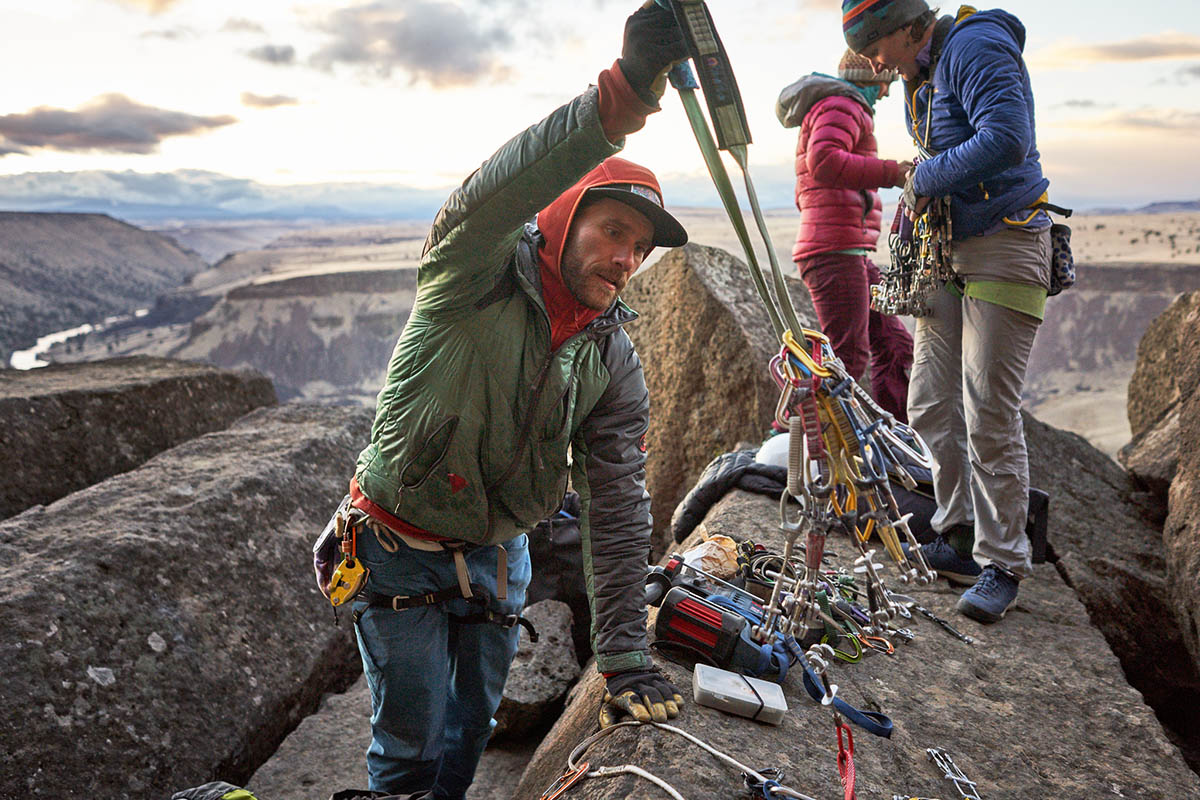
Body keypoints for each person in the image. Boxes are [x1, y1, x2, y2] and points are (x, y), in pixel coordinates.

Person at [315, 7, 689, 797]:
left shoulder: (609, 356)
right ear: (562, 217)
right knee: (409, 733)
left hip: (498, 558)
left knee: (475, 724)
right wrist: (617, 102)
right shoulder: (473, 268)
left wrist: (622, 651)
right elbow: (503, 183)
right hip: (396, 547)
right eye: (612, 229)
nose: (625, 259)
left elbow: (617, 500)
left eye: (639, 248)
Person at [843, 0, 1052, 624]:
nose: (874, 60)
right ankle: (958, 533)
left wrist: (924, 177)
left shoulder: (975, 45)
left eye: (876, 44)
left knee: (988, 403)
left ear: (909, 26)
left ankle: (1003, 561)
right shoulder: (922, 72)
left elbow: (1008, 137)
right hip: (950, 252)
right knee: (931, 399)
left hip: (1006, 243)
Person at [776, 49, 915, 421]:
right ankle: (799, 439)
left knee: (894, 343)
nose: (886, 92)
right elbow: (823, 163)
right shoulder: (842, 104)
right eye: (886, 79)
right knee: (847, 356)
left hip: (848, 249)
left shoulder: (839, 105)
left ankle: (895, 435)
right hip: (834, 251)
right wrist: (893, 173)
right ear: (871, 73)